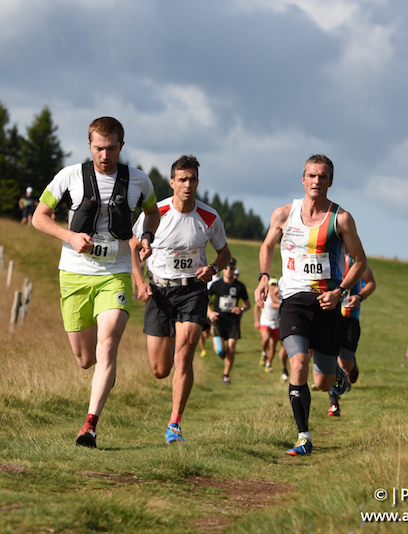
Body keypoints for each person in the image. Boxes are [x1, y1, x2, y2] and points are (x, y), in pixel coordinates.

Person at [32, 116, 160, 448]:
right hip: (74, 274)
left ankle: (89, 425)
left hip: (114, 274)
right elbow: (39, 217)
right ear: (89, 145)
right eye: (99, 148)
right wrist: (70, 236)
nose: (105, 155)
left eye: (112, 148)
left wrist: (146, 235)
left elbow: (153, 212)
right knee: (85, 358)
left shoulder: (139, 181)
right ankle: (95, 372)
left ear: (121, 145)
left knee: (108, 345)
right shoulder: (69, 177)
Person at [255, 154, 367, 456]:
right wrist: (265, 276)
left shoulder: (340, 219)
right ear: (303, 179)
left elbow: (360, 261)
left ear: (331, 181)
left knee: (322, 381)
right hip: (293, 301)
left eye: (323, 177)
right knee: (298, 363)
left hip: (327, 303)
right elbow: (267, 245)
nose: (317, 181)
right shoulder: (283, 214)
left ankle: (338, 378)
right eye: (312, 176)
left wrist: (340, 292)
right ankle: (303, 436)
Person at [131, 154, 231, 443]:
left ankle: (175, 424)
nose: (188, 185)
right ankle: (169, 363)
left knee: (184, 354)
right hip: (159, 290)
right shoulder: (156, 212)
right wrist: (139, 280)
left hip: (193, 290)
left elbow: (224, 253)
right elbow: (133, 246)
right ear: (172, 182)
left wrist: (213, 267)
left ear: (198, 182)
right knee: (160, 370)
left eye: (193, 180)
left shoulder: (209, 217)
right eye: (182, 179)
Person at [328, 258, 376, 417]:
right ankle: (333, 403)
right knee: (330, 357)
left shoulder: (357, 261)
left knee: (346, 363)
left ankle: (352, 368)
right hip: (330, 314)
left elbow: (371, 283)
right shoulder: (329, 253)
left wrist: (360, 297)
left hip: (350, 317)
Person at [208, 257, 251, 384]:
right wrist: (210, 312)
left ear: (234, 269)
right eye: (226, 268)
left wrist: (241, 309)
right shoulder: (216, 284)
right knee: (221, 351)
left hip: (233, 321)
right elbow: (204, 299)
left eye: (231, 268)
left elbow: (247, 304)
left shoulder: (239, 286)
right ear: (223, 270)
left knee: (231, 349)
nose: (228, 271)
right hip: (218, 320)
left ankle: (226, 375)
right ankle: (221, 352)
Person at [253, 277, 289, 380]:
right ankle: (264, 352)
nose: (273, 286)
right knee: (266, 337)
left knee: (273, 346)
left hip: (276, 324)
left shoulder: (281, 296)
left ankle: (268, 363)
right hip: (265, 322)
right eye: (271, 284)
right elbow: (257, 307)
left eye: (275, 284)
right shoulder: (266, 295)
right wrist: (256, 320)